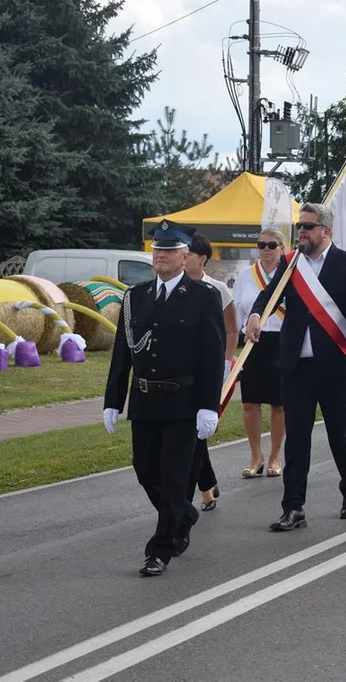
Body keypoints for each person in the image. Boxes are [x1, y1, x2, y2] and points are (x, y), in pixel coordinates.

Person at [102, 219, 226, 576]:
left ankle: (160, 549)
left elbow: (210, 354)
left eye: (169, 251)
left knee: (174, 477)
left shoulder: (204, 297)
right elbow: (123, 353)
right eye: (157, 250)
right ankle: (183, 515)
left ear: (186, 256)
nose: (161, 256)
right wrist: (113, 400)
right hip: (144, 400)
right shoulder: (135, 297)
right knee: (145, 469)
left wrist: (208, 405)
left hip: (183, 402)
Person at [245, 203, 346, 531]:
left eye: (308, 226)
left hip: (334, 367)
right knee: (297, 439)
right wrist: (256, 315)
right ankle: (293, 507)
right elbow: (268, 295)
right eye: (299, 226)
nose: (301, 232)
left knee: (340, 434)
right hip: (295, 367)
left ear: (325, 231)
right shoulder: (291, 264)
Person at [185, 233, 239, 511]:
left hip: (209, 370)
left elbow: (231, 329)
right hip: (179, 372)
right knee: (191, 431)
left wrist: (226, 362)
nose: (184, 259)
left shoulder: (216, 289)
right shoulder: (174, 287)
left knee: (196, 431)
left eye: (189, 254)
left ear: (202, 258)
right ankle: (207, 486)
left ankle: (193, 493)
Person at [232, 227, 288, 481]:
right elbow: (237, 312)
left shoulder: (289, 275)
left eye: (272, 245)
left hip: (281, 341)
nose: (266, 249)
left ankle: (276, 455)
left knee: (279, 403)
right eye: (261, 244)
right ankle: (256, 455)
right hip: (253, 342)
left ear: (282, 248)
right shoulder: (246, 276)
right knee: (250, 402)